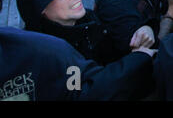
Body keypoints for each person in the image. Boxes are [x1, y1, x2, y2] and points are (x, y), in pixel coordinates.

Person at [15, 0, 133, 65]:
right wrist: (141, 57)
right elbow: (86, 85)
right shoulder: (41, 57)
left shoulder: (91, 20)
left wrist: (143, 29)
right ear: (39, 7)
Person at [0, 26, 155, 101]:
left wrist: (145, 28)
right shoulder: (47, 50)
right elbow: (86, 91)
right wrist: (138, 59)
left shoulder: (90, 21)